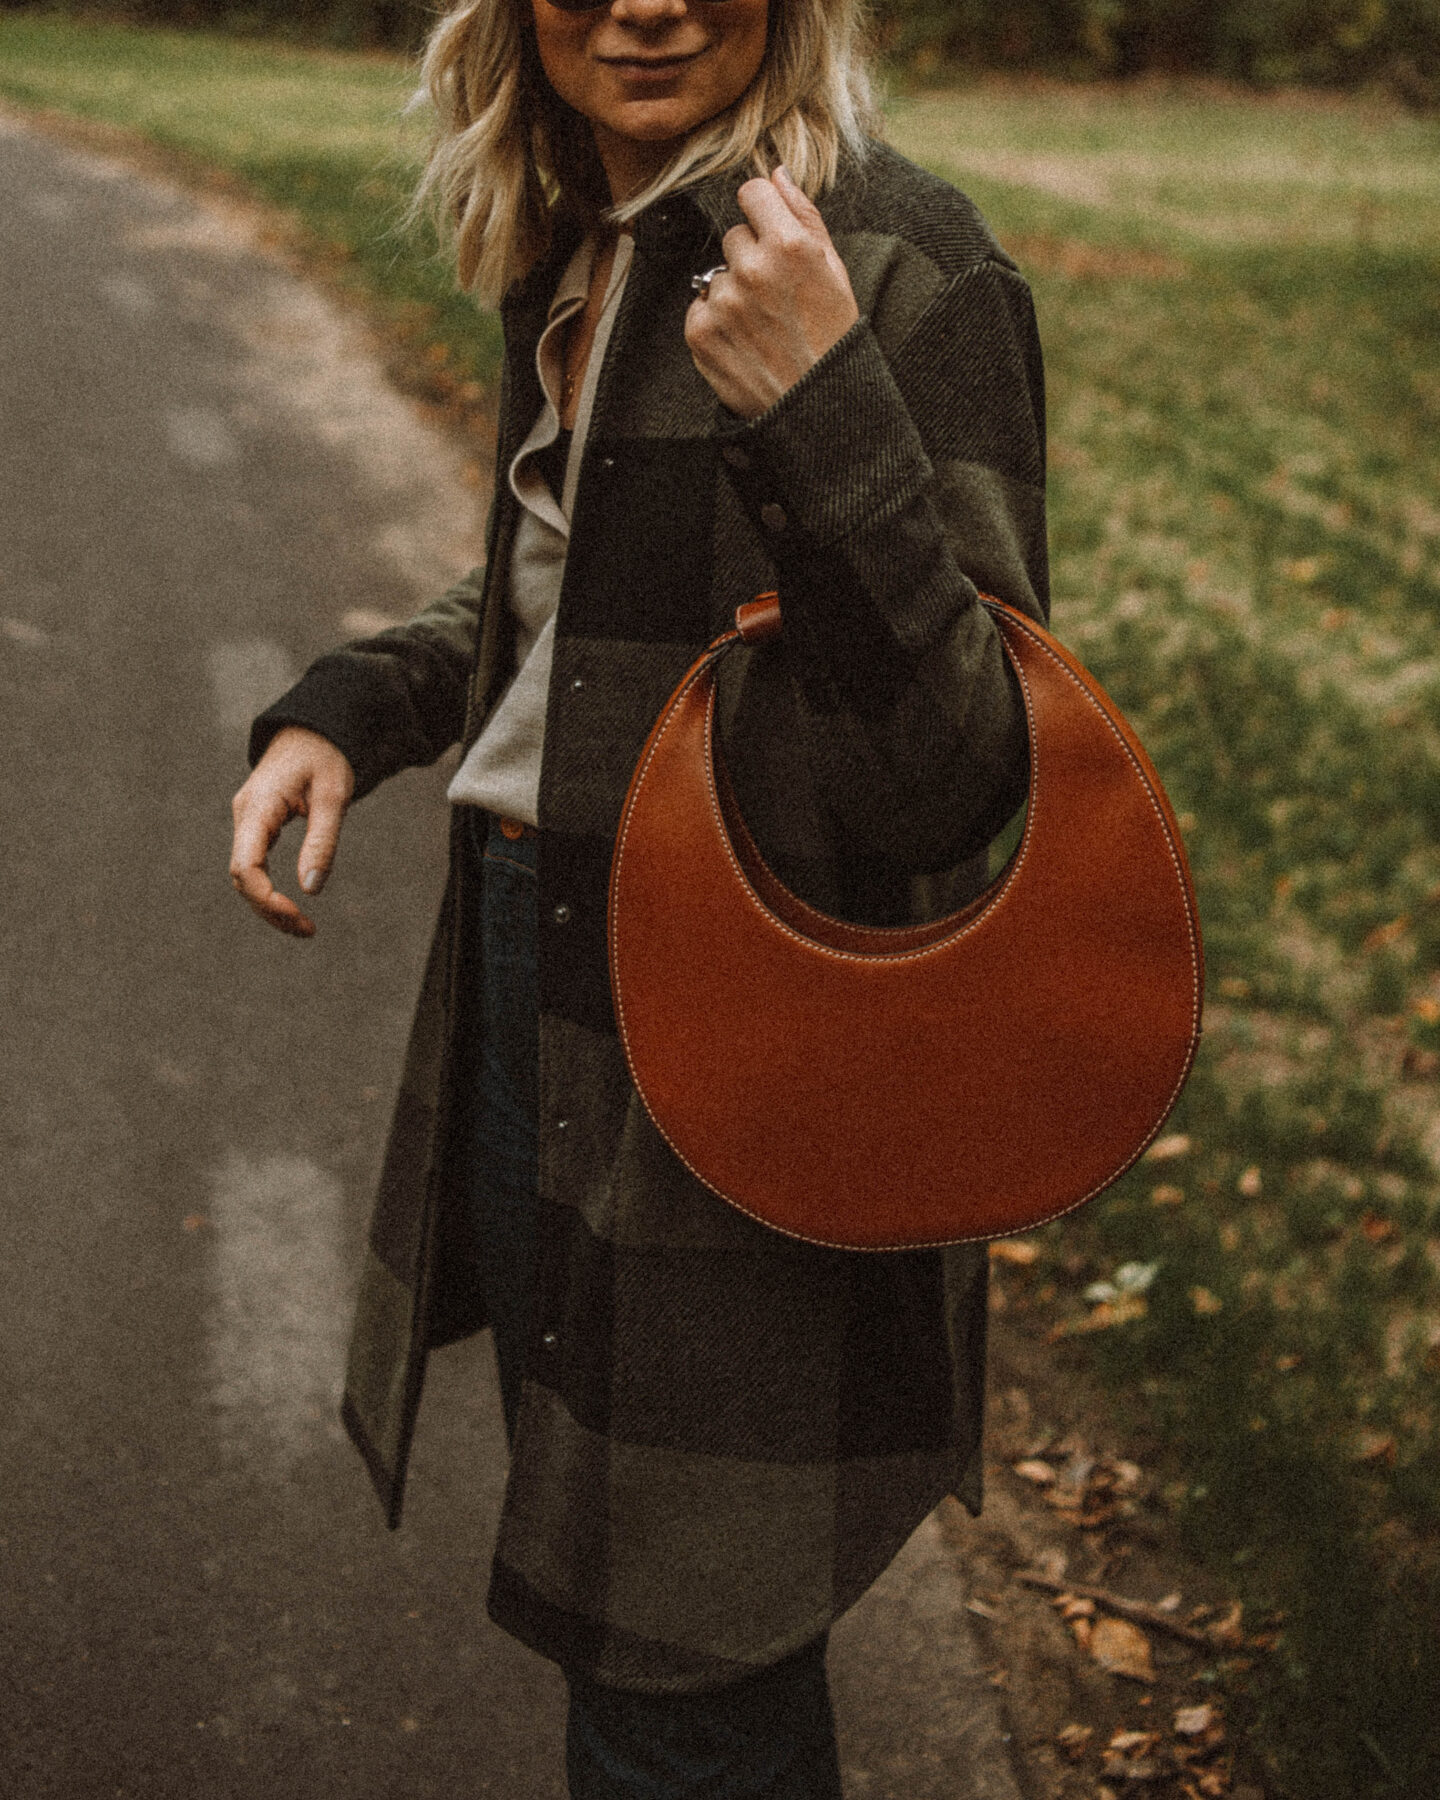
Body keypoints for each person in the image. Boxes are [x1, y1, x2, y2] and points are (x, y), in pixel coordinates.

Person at [230, 0, 1049, 1792]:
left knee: (690, 1660)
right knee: (622, 1600)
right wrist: (355, 711)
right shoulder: (585, 244)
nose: (650, 1)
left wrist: (823, 401)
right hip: (544, 995)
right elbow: (565, 607)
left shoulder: (903, 268)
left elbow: (963, 767)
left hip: (749, 1044)